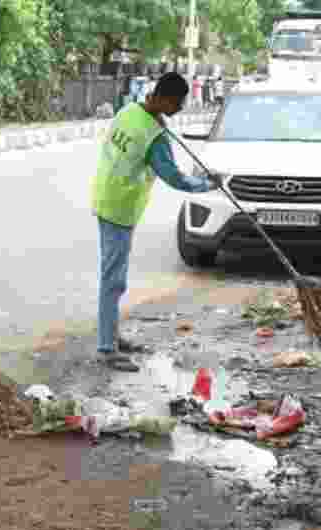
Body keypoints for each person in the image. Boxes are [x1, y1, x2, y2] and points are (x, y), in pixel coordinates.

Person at [91, 71, 218, 372]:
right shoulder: (154, 135)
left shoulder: (129, 110)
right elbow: (174, 177)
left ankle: (111, 335)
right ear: (164, 99)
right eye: (178, 102)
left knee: (113, 276)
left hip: (105, 195)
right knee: (114, 279)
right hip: (119, 207)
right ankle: (107, 348)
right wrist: (206, 185)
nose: (181, 108)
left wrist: (158, 122)